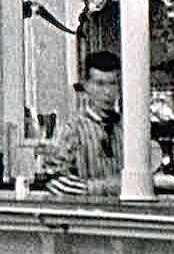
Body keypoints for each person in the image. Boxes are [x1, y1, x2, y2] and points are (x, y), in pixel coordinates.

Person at [39, 50, 121, 197]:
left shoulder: (126, 129)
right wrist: (102, 188)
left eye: (113, 84)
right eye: (100, 84)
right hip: (87, 209)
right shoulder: (73, 130)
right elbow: (55, 182)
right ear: (87, 86)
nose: (108, 92)